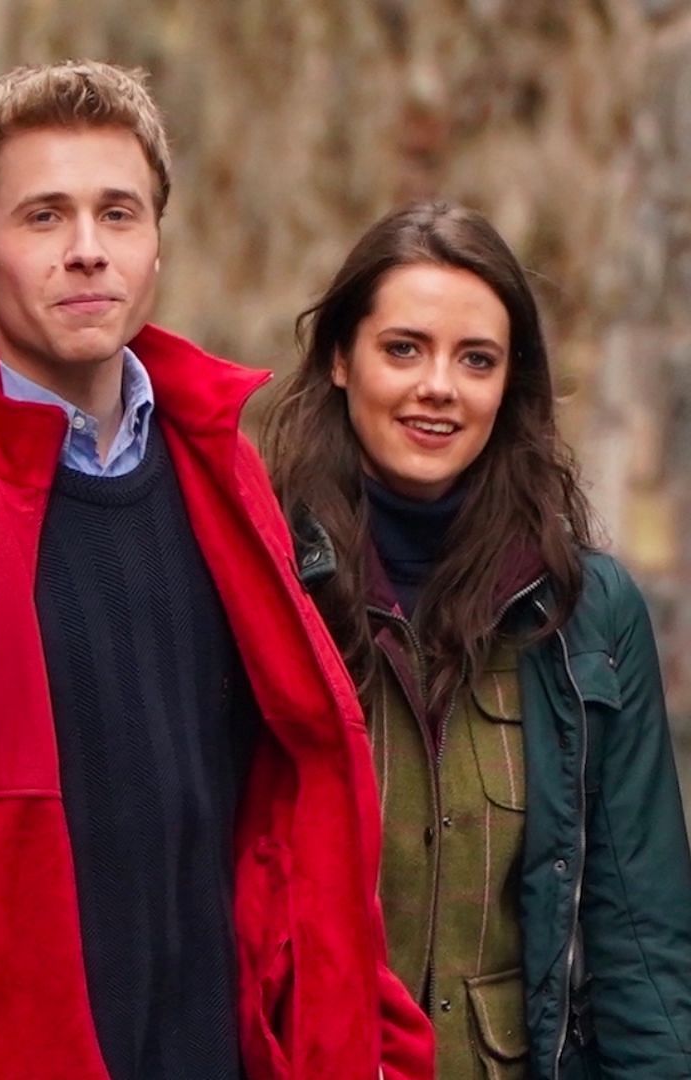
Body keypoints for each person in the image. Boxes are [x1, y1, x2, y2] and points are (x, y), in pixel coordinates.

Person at [0, 60, 434, 1078]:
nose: (88, 252)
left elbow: (291, 816)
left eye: (119, 213)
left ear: (156, 242)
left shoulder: (228, 483)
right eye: (45, 218)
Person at [262, 201, 691, 1079]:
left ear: (510, 385)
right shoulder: (262, 582)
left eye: (477, 360)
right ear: (342, 359)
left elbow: (642, 944)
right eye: (404, 349)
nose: (439, 388)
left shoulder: (586, 613)